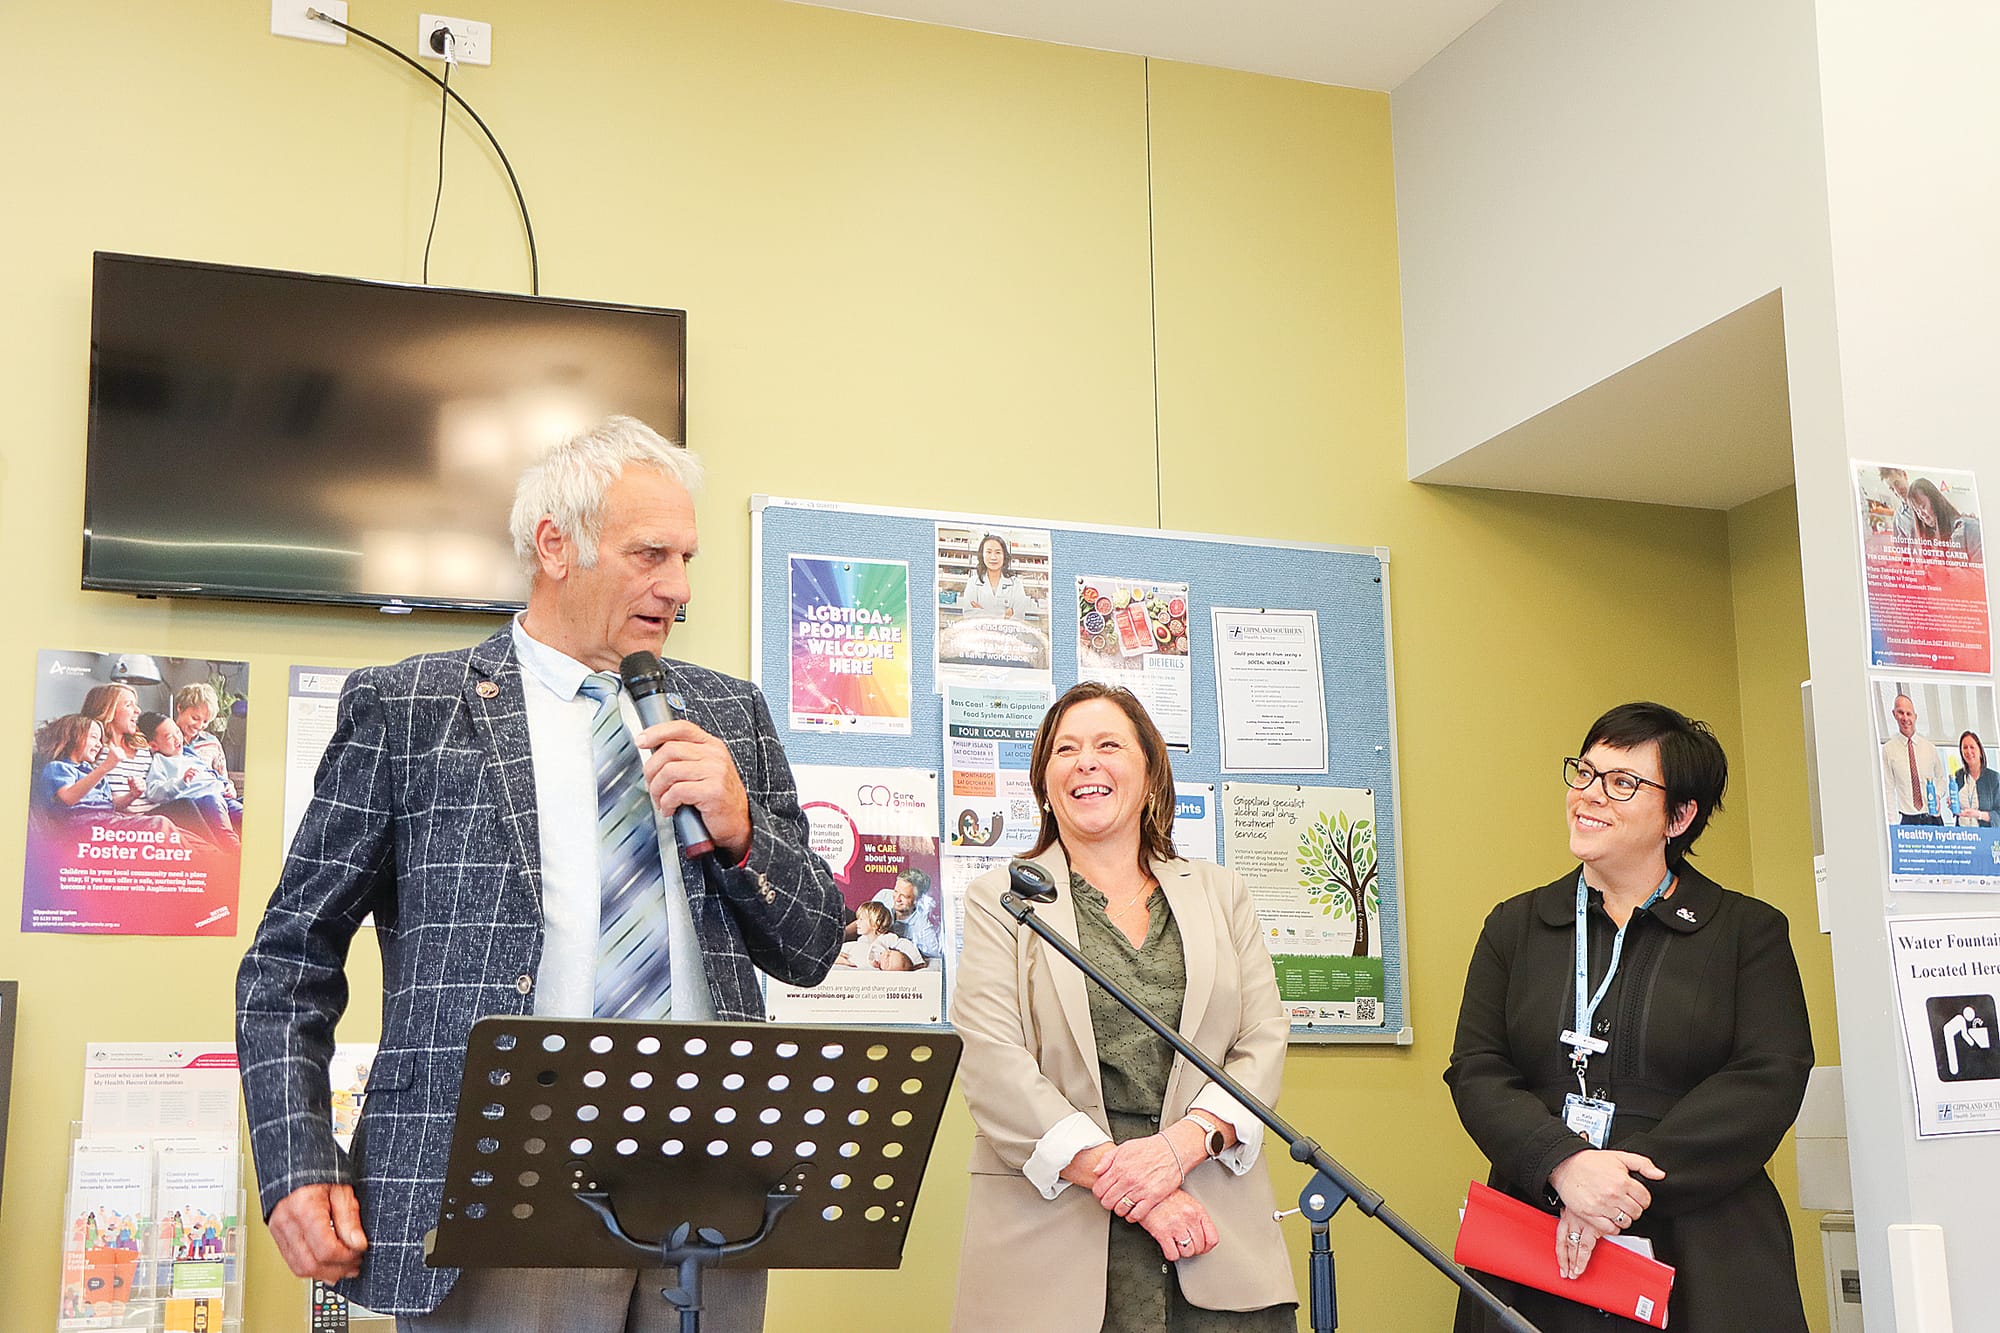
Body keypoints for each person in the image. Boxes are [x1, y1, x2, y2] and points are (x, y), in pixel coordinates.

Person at [236, 416, 845, 1332]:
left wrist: (743, 827)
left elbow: (812, 947)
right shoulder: (412, 708)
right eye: (650, 554)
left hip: (707, 1198)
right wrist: (297, 1161)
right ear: (555, 545)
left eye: (686, 558)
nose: (677, 588)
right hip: (490, 1185)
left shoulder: (729, 713)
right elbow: (290, 958)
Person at [1445, 702, 1813, 1331]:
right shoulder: (1515, 927)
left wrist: (1619, 1186)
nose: (1590, 796)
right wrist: (1567, 1167)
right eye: (1584, 774)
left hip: (1705, 1246)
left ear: (1680, 815)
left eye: (1622, 784)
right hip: (1539, 1238)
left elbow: (1768, 1079)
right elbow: (1477, 1070)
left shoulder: (1746, 933)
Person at [951, 682, 1296, 1332]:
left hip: (1216, 1225)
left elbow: (1262, 1041)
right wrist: (1143, 1190)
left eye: (1108, 744)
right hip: (1052, 1233)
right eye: (1065, 749)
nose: (1086, 761)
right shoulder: (1001, 899)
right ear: (1044, 782)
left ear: (1149, 773)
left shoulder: (1223, 894)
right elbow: (995, 1066)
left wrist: (1179, 1149)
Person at [137, 711, 241, 847]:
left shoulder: (189, 754)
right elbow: (154, 792)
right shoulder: (160, 761)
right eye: (169, 737)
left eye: (177, 732)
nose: (177, 739)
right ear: (154, 745)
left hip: (222, 797)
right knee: (220, 818)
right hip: (203, 801)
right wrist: (182, 782)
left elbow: (211, 774)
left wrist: (226, 785)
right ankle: (233, 848)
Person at [1882, 692, 1950, 824]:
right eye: (1900, 713)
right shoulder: (1888, 750)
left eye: (1909, 714)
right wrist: (1893, 825)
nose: (1905, 718)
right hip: (1908, 820)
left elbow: (1941, 779)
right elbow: (1888, 789)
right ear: (1894, 714)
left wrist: (1937, 795)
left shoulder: (1929, 748)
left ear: (1915, 716)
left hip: (1932, 818)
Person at [960, 533, 1040, 620]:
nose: (993, 557)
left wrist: (982, 612)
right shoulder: (973, 582)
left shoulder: (1016, 584)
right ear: (982, 555)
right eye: (988, 552)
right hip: (980, 633)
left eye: (998, 552)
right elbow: (968, 615)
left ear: (1004, 556)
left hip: (1007, 633)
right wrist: (1003, 615)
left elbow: (1018, 617)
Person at [871, 867, 943, 956]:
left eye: (904, 896)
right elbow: (862, 922)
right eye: (896, 891)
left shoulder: (924, 930)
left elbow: (934, 959)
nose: (897, 899)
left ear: (918, 898)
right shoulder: (884, 896)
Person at [835, 901, 927, 970]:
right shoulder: (862, 940)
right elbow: (854, 950)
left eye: (861, 919)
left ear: (876, 922)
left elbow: (905, 945)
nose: (857, 923)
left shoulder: (887, 938)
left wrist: (917, 962)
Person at [1909, 477, 1983, 560]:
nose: (1921, 514)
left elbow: (1979, 571)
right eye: (1917, 511)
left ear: (1935, 500)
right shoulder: (1925, 542)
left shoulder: (1969, 528)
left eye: (1923, 506)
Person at [1953, 730, 1999, 827]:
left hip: (1985, 836)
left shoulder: (1993, 778)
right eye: (1965, 747)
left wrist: (1979, 815)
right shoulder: (1959, 776)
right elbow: (1957, 811)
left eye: (1972, 747)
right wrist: (1952, 803)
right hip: (1963, 834)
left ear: (1980, 751)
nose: (1968, 751)